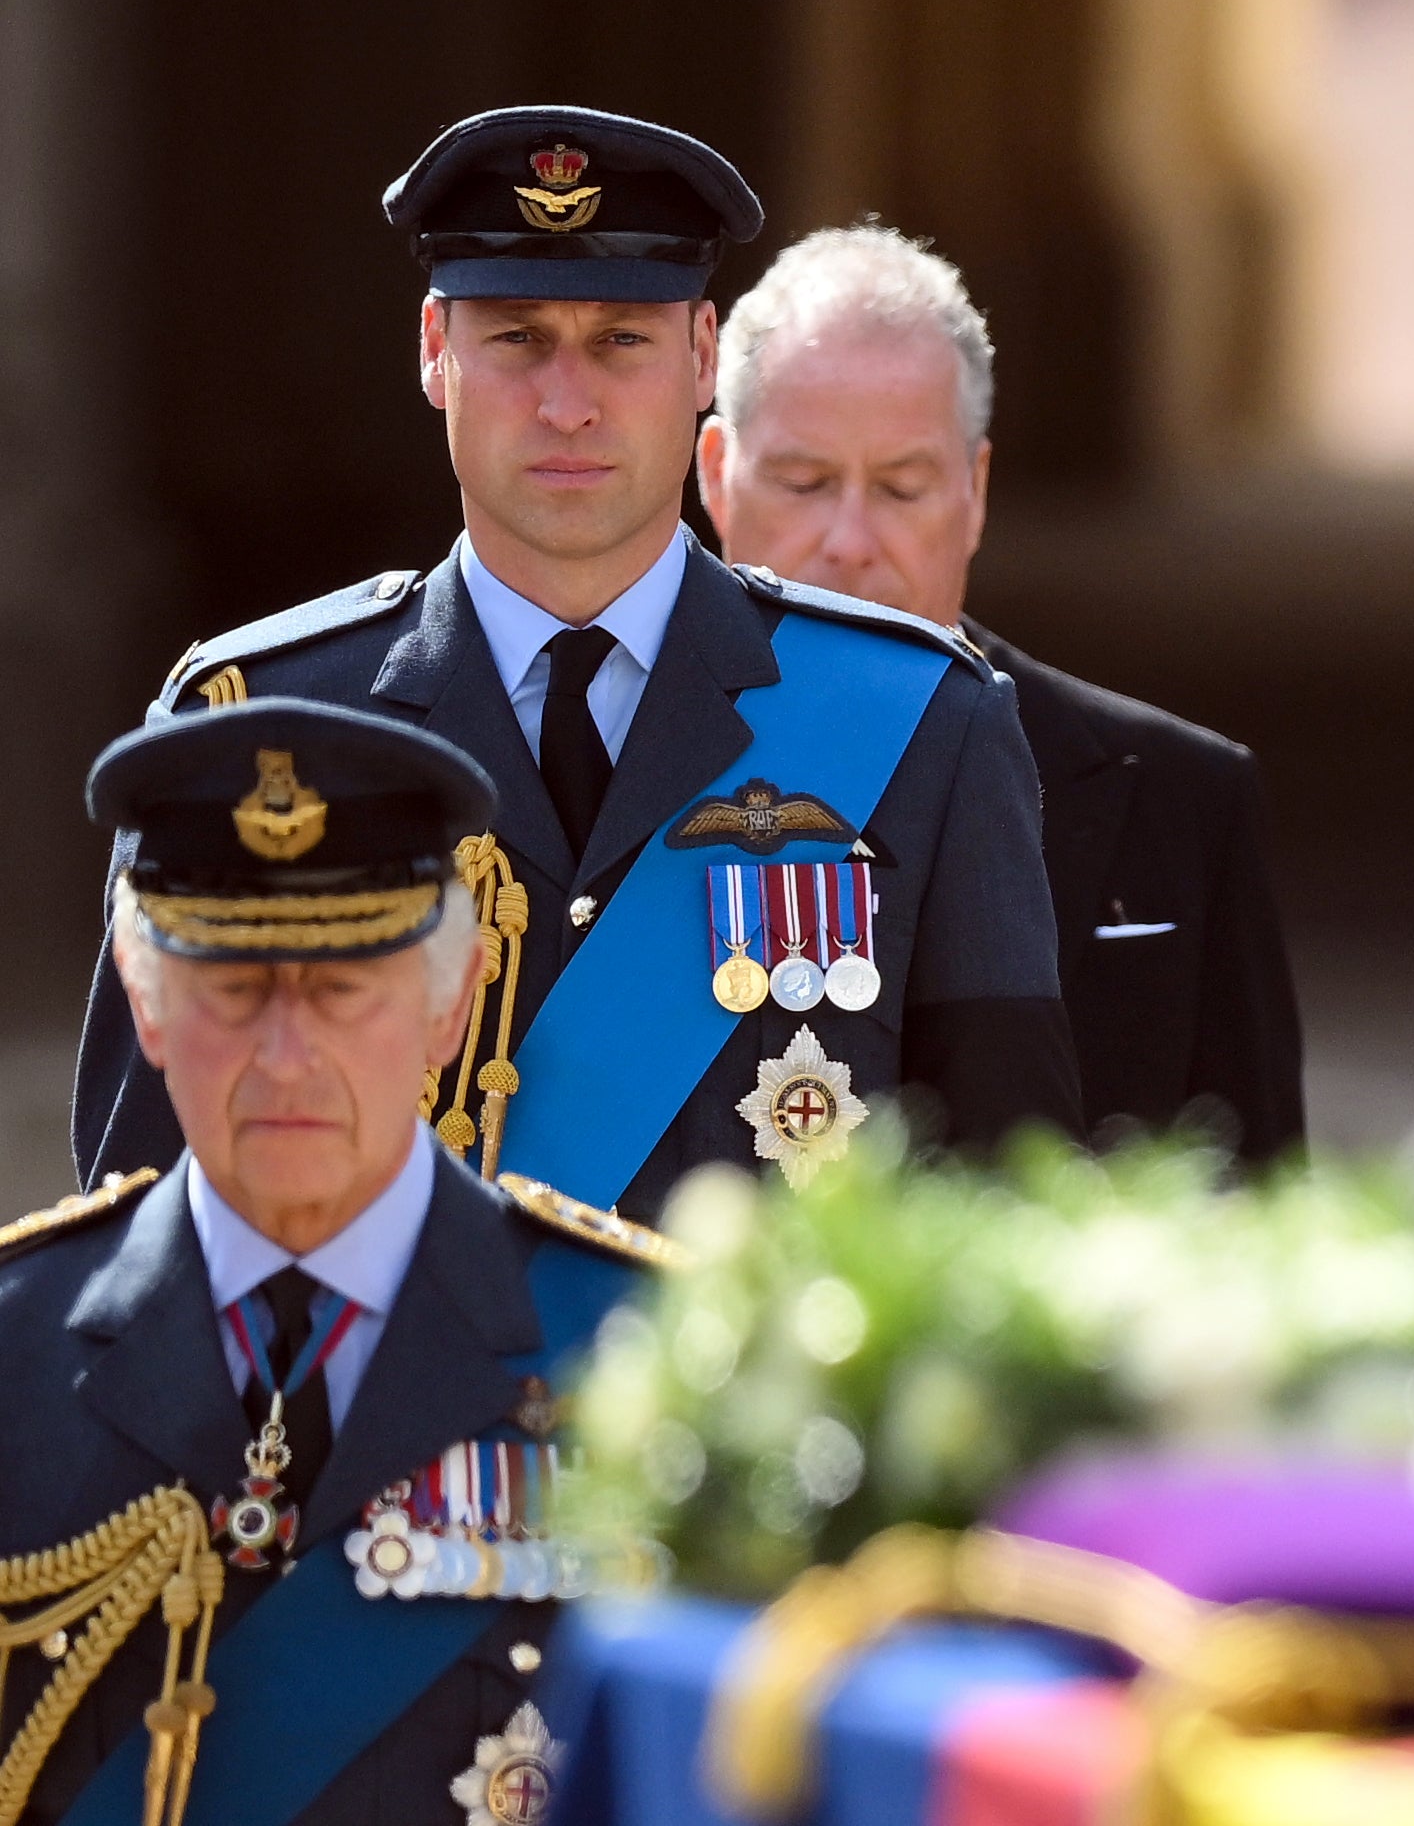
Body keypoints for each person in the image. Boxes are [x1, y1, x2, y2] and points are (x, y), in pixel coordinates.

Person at [71, 107, 1079, 1222]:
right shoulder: (260, 721)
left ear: (701, 355)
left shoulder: (920, 722)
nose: (567, 402)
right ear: (432, 353)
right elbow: (144, 1233)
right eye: (515, 337)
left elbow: (1002, 1215)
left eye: (619, 341)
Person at [0, 699, 669, 1821]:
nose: (287, 1055)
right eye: (234, 988)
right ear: (146, 1001)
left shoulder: (647, 1348)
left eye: (342, 988)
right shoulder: (15, 1344)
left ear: (451, 1003)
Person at [695, 224, 1305, 1160]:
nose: (850, 541)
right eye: (805, 482)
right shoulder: (599, 747)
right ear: (715, 479)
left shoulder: (1179, 799)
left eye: (902, 488)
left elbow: (1257, 1232)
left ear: (974, 493)